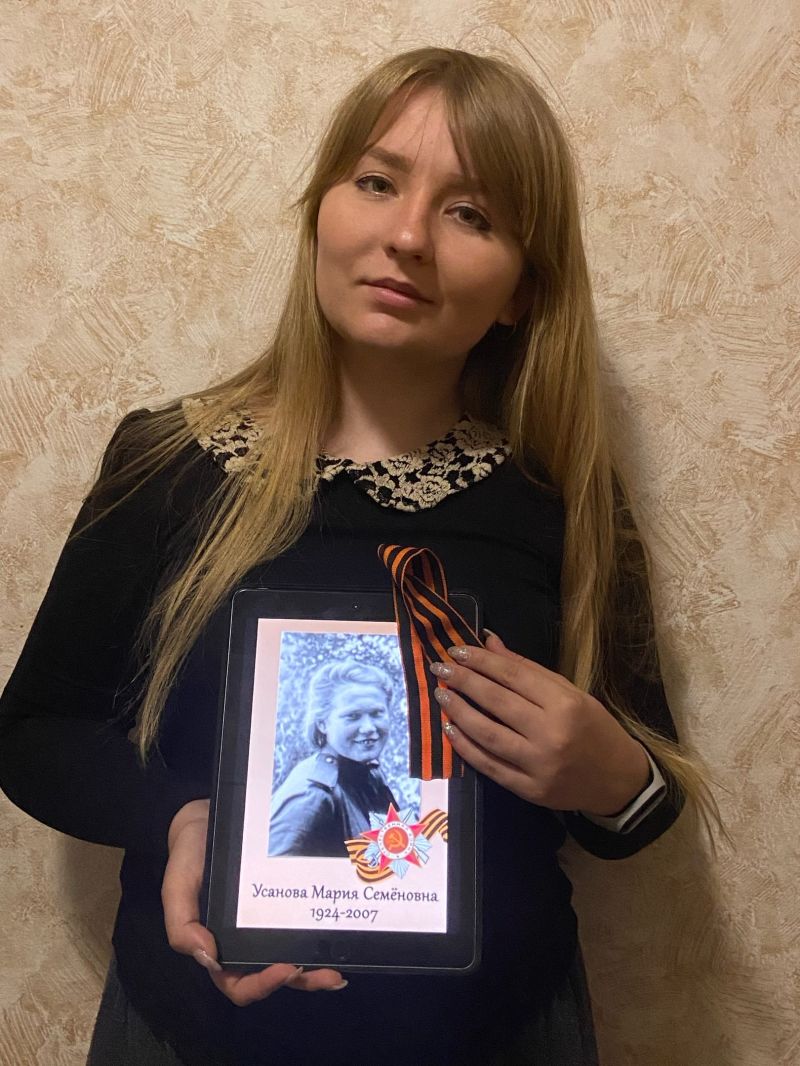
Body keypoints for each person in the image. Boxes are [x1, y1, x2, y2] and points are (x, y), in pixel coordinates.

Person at [0, 46, 716, 1066]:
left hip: (501, 1035)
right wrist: (180, 817)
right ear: (319, 215)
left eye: (470, 214)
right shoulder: (166, 462)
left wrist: (608, 773)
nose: (408, 235)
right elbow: (34, 733)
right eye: (377, 182)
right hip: (190, 1033)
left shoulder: (566, 505)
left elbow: (643, 807)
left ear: (521, 289)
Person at [268, 659, 399, 857]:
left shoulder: (367, 777)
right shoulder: (313, 794)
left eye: (376, 713)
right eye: (353, 716)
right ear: (322, 724)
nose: (369, 728)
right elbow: (272, 867)